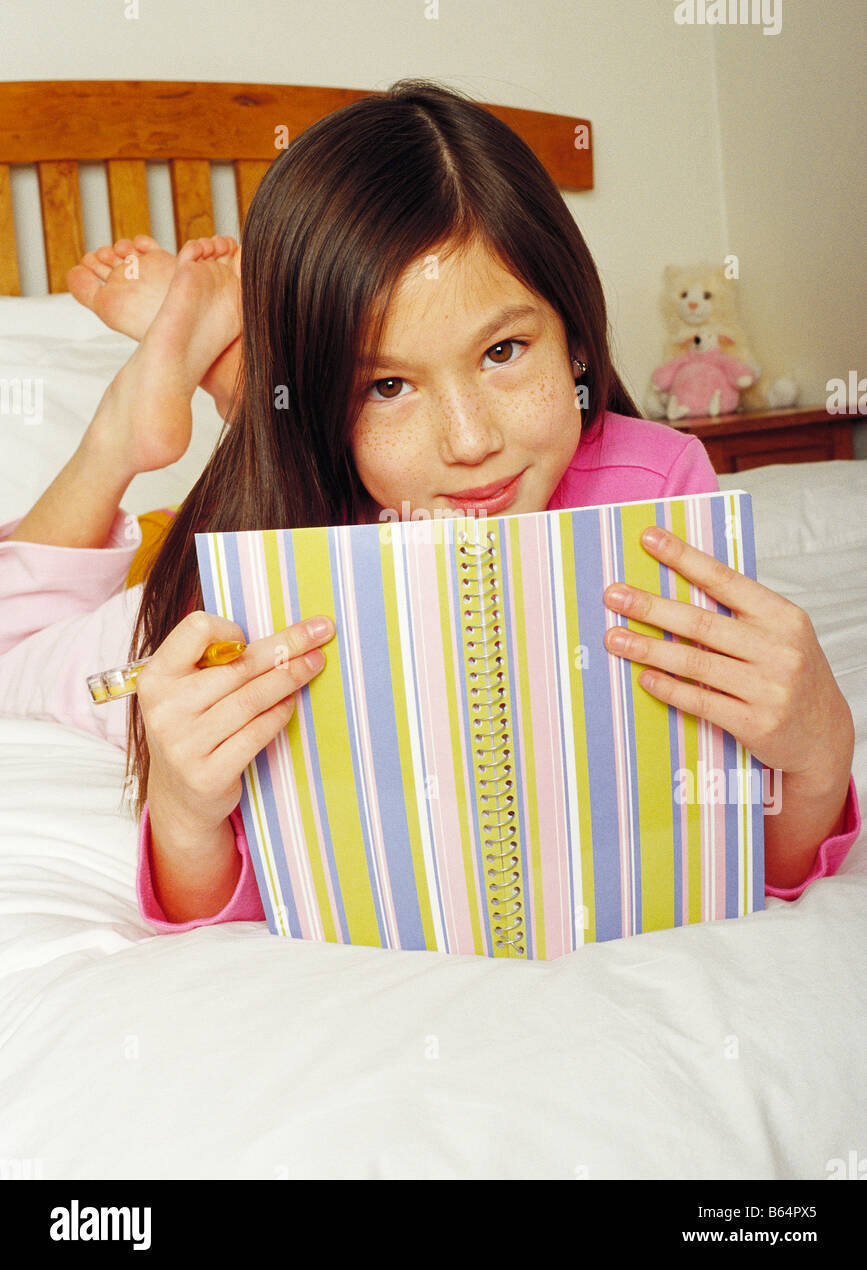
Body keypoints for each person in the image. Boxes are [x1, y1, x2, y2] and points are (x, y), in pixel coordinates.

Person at [0, 78, 859, 935]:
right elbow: (220, 900)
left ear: (577, 337)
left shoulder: (660, 487)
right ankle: (125, 431)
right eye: (386, 383)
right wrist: (185, 809)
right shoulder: (260, 563)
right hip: (193, 562)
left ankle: (233, 374)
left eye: (503, 350)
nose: (469, 441)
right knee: (13, 654)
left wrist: (818, 760)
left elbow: (724, 852)